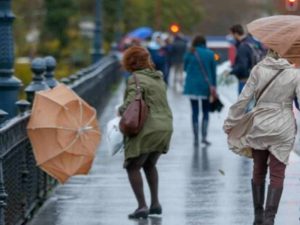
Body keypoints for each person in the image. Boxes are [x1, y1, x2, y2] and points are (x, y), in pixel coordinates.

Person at [223, 49, 300, 225]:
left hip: (260, 125)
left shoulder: (258, 69)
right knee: (277, 173)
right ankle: (269, 219)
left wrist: (231, 122)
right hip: (283, 126)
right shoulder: (295, 73)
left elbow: (244, 99)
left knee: (258, 169)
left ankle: (258, 215)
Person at [119, 46, 173, 219]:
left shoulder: (135, 79)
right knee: (149, 164)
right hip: (165, 126)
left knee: (132, 165)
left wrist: (119, 111)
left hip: (147, 128)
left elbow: (129, 105)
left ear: (130, 62)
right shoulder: (158, 78)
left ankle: (142, 206)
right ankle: (155, 203)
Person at [183, 34, 217, 146]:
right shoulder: (210, 54)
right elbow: (213, 73)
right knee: (206, 111)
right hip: (205, 87)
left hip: (191, 87)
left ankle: (196, 139)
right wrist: (214, 87)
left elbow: (185, 68)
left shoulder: (190, 52)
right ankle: (204, 137)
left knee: (194, 111)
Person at [229, 24, 265, 94]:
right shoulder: (254, 42)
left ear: (236, 34)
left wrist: (232, 71)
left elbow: (242, 66)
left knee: (244, 104)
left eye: (232, 35)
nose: (232, 37)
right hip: (258, 79)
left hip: (245, 81)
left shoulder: (242, 46)